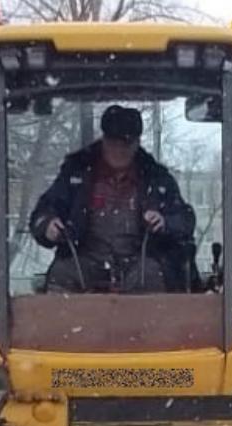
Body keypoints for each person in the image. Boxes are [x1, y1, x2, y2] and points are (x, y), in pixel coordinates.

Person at [29, 104, 196, 293]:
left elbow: (185, 220)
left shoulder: (157, 178)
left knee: (152, 276)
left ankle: (150, 322)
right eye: (113, 143)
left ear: (137, 143)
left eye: (126, 144)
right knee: (63, 273)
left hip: (139, 261)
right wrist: (48, 226)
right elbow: (43, 212)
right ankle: (59, 322)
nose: (119, 150)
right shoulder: (76, 174)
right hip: (85, 259)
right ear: (103, 140)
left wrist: (164, 222)